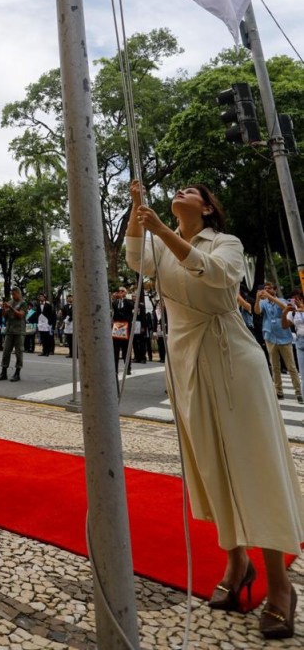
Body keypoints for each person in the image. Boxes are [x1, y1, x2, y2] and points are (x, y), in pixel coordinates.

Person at [127, 181, 304, 640]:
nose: (180, 191)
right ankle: (237, 561)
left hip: (231, 358)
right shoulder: (160, 244)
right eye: (178, 189)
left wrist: (161, 230)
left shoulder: (226, 242)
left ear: (207, 208)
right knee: (210, 467)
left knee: (253, 465)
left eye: (191, 191)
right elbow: (135, 259)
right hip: (184, 360)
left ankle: (279, 584)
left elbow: (218, 276)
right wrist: (136, 209)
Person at [257, 281, 303, 404]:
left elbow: (284, 308)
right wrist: (257, 299)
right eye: (265, 288)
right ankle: (279, 391)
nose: (266, 290)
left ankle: (299, 392)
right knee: (275, 366)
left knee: (291, 367)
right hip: (270, 337)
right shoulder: (263, 302)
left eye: (269, 288)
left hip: (284, 337)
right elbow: (257, 311)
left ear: (275, 290)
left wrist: (270, 296)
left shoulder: (282, 300)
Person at [0, 287, 26, 382]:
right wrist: (4, 308)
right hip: (9, 330)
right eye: (12, 294)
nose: (13, 296)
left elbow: (20, 315)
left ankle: (17, 373)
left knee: (18, 352)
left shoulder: (23, 303)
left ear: (19, 293)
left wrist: (11, 308)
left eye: (14, 294)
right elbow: (4, 315)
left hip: (19, 331)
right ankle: (3, 372)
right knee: (6, 351)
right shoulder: (10, 302)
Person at [111, 287, 134, 380]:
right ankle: (115, 369)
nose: (120, 292)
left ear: (125, 292)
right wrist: (115, 298)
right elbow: (114, 311)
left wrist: (124, 297)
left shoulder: (129, 302)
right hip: (117, 326)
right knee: (115, 349)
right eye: (119, 291)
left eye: (122, 291)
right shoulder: (115, 303)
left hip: (126, 326)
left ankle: (128, 367)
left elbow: (131, 307)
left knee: (126, 349)